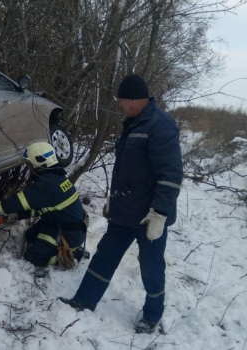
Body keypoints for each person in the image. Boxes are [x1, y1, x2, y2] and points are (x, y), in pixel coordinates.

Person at [58, 74, 183, 334]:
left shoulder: (161, 125)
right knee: (104, 256)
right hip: (124, 213)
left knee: (151, 267)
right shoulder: (135, 123)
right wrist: (112, 202)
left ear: (136, 100)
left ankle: (151, 315)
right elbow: (127, 171)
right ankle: (83, 301)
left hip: (149, 216)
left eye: (123, 101)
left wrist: (159, 213)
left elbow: (170, 176)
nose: (121, 106)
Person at [0, 142, 88, 272]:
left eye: (30, 164)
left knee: (32, 256)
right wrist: (16, 215)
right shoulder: (56, 178)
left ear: (40, 164)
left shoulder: (46, 185)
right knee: (29, 236)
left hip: (67, 233)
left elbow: (17, 202)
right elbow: (40, 208)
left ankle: (72, 255)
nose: (30, 168)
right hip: (59, 223)